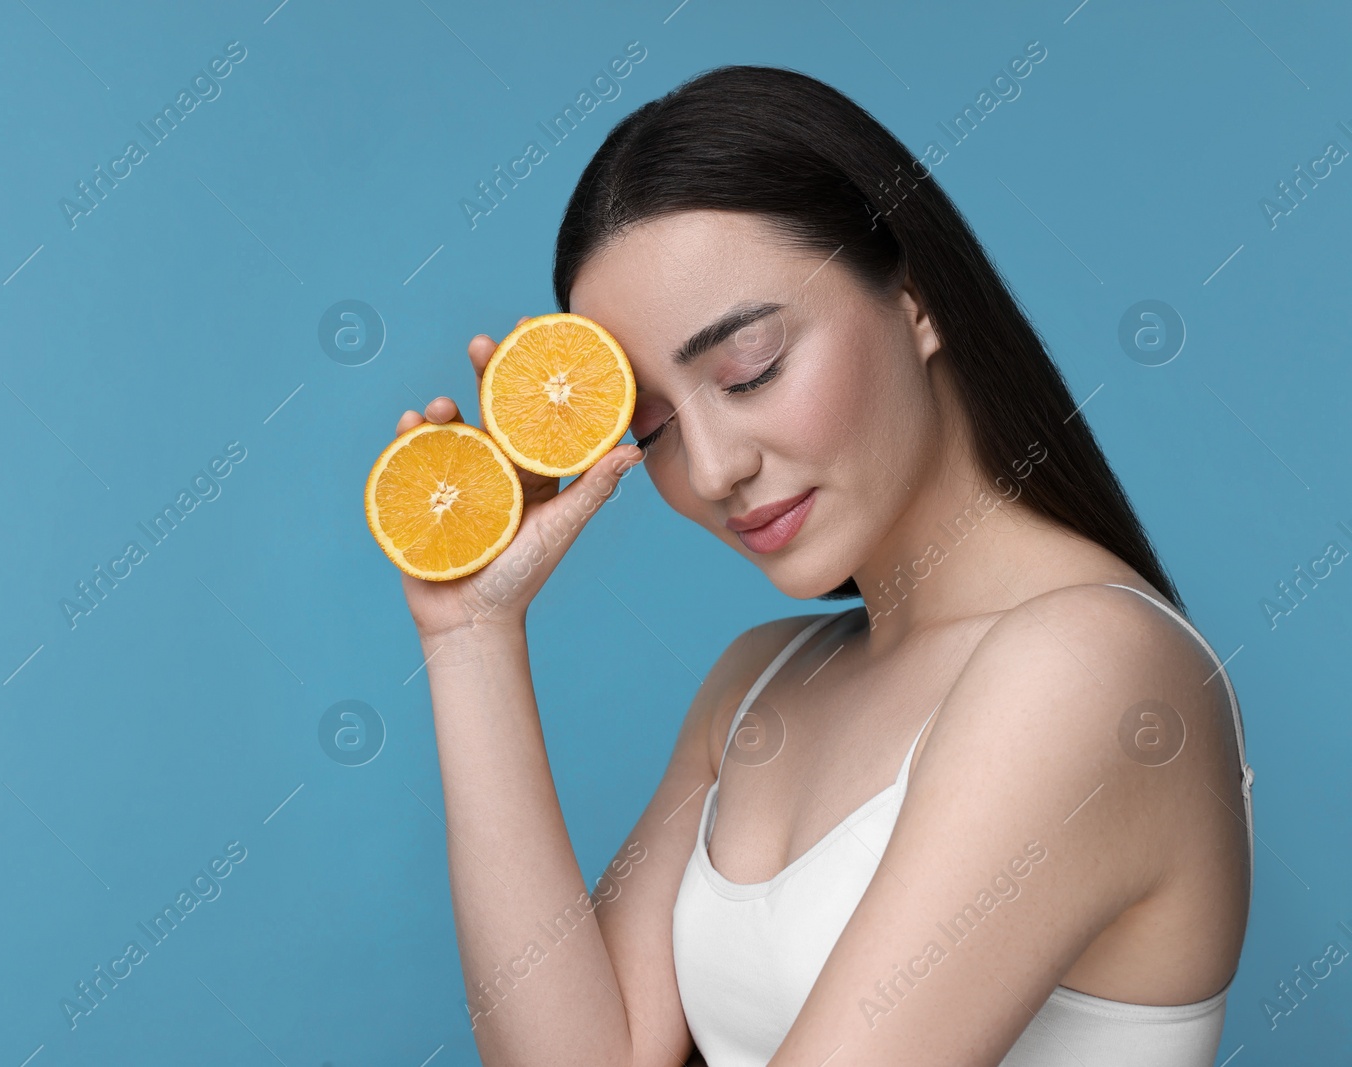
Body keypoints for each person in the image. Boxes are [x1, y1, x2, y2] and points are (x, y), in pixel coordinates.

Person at [388, 65, 1254, 1066]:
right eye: (654, 427)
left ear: (917, 300)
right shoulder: (756, 687)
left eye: (749, 367)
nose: (713, 468)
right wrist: (470, 636)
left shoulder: (1094, 669)